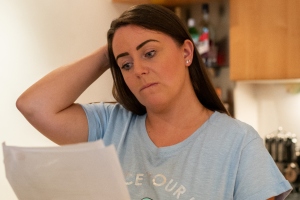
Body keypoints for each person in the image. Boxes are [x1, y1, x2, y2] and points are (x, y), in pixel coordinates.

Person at [16, 4, 291, 200]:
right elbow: (34, 106)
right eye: (125, 65)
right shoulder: (110, 125)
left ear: (186, 52)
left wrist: (125, 45)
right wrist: (113, 48)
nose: (138, 70)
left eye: (149, 53)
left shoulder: (239, 143)